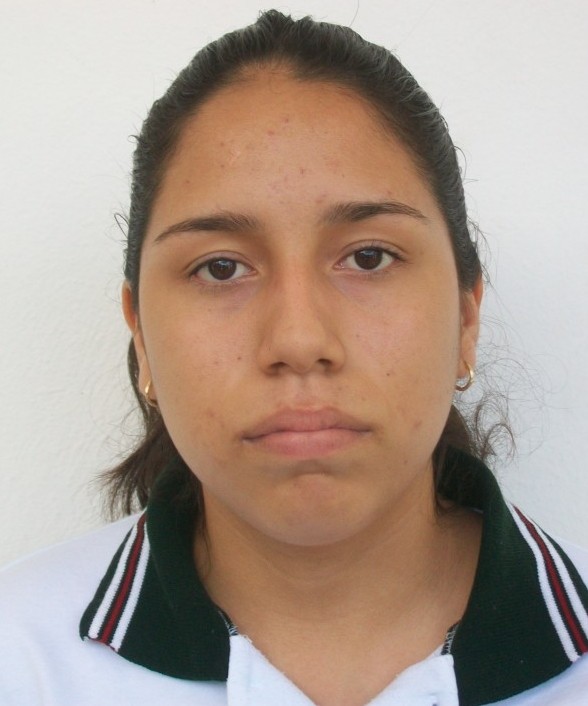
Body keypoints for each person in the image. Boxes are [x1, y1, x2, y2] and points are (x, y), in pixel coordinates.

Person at [1, 9, 587, 706]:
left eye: (368, 258)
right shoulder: (20, 658)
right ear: (142, 338)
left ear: (465, 315)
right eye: (221, 268)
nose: (299, 341)